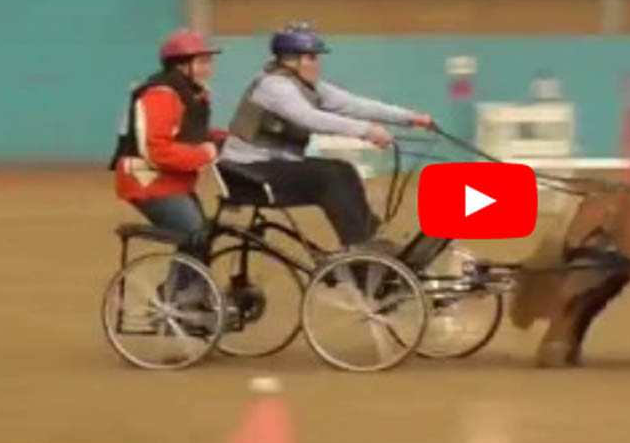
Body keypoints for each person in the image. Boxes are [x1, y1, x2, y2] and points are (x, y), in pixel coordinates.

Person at [218, 21, 432, 252]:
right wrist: (367, 131)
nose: (317, 65)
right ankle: (359, 248)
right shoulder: (274, 87)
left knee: (343, 170)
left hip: (272, 166)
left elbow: (354, 105)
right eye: (312, 58)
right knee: (330, 175)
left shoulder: (308, 87)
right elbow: (310, 118)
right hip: (246, 172)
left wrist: (410, 117)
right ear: (291, 59)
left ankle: (369, 239)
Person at [109, 28, 226, 320]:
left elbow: (188, 133)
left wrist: (223, 138)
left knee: (204, 232)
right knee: (193, 232)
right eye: (201, 62)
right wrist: (207, 153)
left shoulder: (191, 94)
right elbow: (157, 150)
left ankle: (191, 293)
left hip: (172, 182)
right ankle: (175, 300)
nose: (208, 69)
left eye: (208, 62)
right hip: (147, 182)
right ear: (180, 65)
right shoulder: (160, 95)